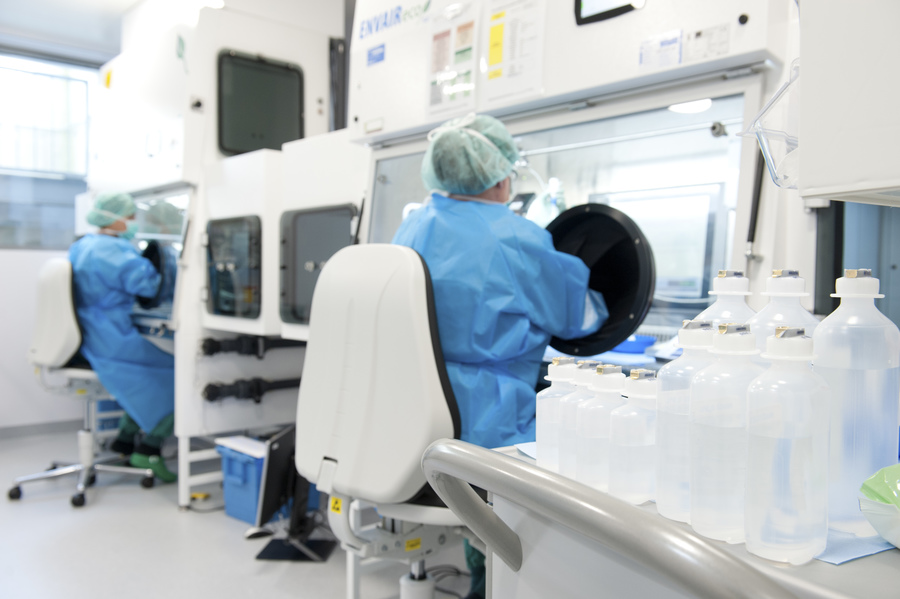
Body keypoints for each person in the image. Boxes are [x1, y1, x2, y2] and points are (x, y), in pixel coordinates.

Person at [392, 113, 608, 599]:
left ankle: (481, 581)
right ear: (498, 176)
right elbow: (577, 317)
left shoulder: (411, 226)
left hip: (411, 425)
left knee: (483, 528)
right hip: (488, 424)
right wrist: (601, 301)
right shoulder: (513, 237)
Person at [68, 193, 177, 482]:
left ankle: (125, 440)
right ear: (113, 218)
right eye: (130, 217)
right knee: (178, 376)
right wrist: (169, 255)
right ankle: (150, 449)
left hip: (92, 333)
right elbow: (150, 285)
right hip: (109, 337)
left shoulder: (83, 245)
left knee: (146, 379)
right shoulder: (114, 251)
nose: (133, 223)